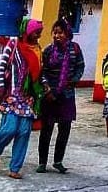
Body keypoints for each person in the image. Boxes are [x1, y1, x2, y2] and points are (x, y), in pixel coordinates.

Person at [0, 18, 45, 179]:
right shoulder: (13, 44)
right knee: (10, 129)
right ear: (27, 31)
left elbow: (39, 73)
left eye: (39, 33)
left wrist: (45, 86)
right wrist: (0, 88)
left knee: (23, 132)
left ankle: (14, 168)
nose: (38, 36)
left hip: (28, 98)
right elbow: (2, 67)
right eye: (36, 32)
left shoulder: (37, 49)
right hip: (11, 96)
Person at [36, 18, 85, 174]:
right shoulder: (48, 50)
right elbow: (41, 71)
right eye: (55, 33)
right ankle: (42, 162)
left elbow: (80, 66)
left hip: (67, 95)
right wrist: (47, 88)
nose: (57, 36)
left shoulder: (75, 49)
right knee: (46, 130)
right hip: (49, 95)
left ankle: (58, 161)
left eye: (60, 32)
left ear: (67, 33)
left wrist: (75, 80)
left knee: (64, 130)